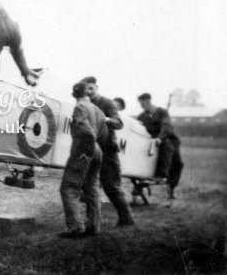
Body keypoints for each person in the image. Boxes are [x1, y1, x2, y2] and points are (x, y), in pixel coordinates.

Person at [82, 77, 135, 227]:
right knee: (89, 186)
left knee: (111, 186)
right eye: (86, 89)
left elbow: (118, 123)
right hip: (92, 149)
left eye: (91, 88)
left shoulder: (107, 103)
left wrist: (106, 119)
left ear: (96, 87)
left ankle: (127, 218)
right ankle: (91, 221)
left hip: (108, 151)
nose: (89, 91)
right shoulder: (85, 104)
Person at [59, 81, 106, 238]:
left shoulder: (79, 107)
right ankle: (94, 226)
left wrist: (87, 150)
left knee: (69, 188)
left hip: (84, 150)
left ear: (74, 94)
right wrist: (94, 148)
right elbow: (103, 133)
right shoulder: (98, 109)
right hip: (97, 149)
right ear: (87, 94)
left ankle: (75, 227)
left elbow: (85, 130)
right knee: (91, 188)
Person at [137, 93, 184, 199]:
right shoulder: (142, 116)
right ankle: (138, 188)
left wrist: (160, 137)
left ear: (148, 102)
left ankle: (171, 189)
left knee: (178, 164)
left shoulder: (162, 112)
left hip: (169, 141)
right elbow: (139, 129)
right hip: (152, 143)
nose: (141, 106)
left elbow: (166, 126)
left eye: (142, 104)